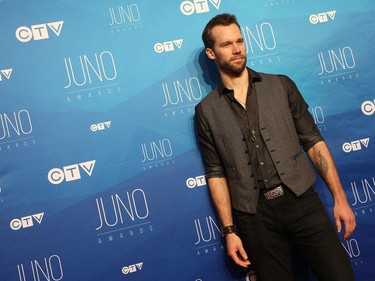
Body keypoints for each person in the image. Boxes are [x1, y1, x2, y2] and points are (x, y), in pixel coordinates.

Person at [195, 13, 356, 281]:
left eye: (240, 41)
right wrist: (229, 230)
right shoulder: (206, 111)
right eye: (226, 44)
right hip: (255, 219)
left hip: (302, 202)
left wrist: (340, 198)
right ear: (211, 53)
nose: (237, 49)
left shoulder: (281, 85)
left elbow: (314, 143)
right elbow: (216, 173)